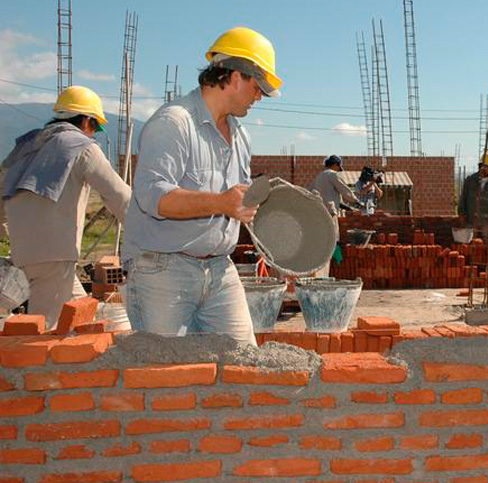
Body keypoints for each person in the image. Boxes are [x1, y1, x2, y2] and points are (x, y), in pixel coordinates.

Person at [122, 27, 283, 345]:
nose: (259, 96)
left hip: (220, 269)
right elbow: (154, 198)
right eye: (257, 86)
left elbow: (237, 201)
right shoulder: (173, 124)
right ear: (236, 77)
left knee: (244, 363)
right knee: (168, 377)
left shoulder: (240, 137)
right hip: (163, 270)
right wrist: (221, 203)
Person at [0, 86, 130, 329]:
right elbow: (118, 194)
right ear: (86, 120)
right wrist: (146, 234)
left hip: (22, 253)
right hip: (55, 255)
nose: (94, 133)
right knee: (47, 331)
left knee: (81, 311)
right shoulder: (82, 147)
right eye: (96, 127)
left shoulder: (26, 145)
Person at [458, 152, 488, 241]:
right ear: (483, 166)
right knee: (470, 243)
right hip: (472, 219)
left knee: (486, 246)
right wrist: (461, 214)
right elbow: (463, 198)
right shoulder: (470, 181)